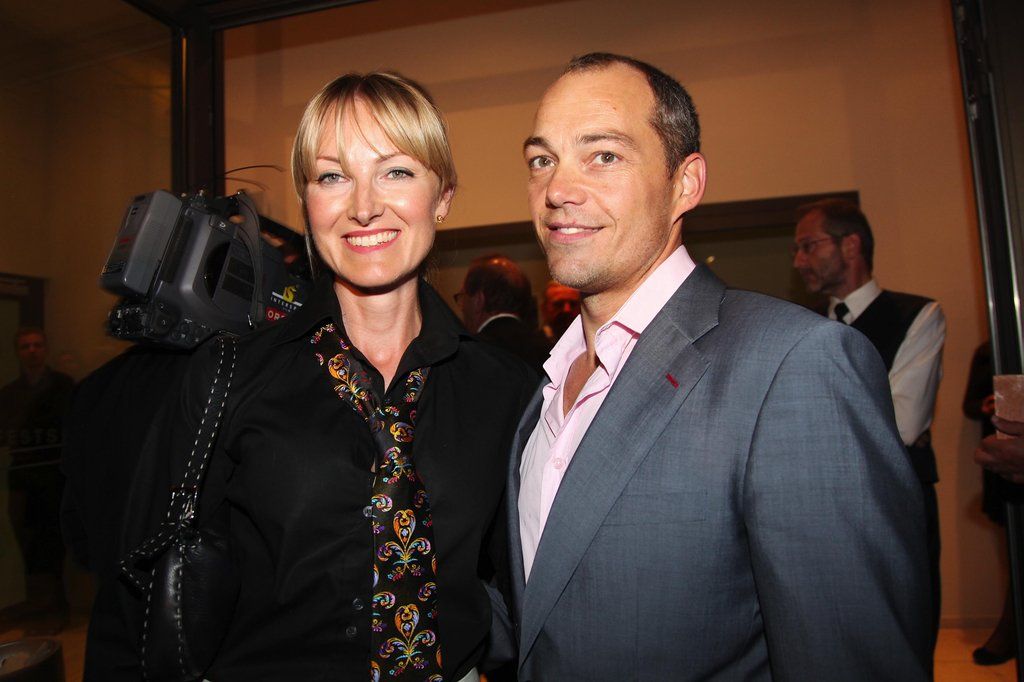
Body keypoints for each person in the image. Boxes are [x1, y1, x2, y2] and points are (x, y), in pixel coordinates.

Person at [507, 52, 931, 680]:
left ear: (686, 183)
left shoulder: (795, 365)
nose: (558, 191)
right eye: (543, 160)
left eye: (604, 155)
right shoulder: (544, 382)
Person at [126, 72, 535, 681]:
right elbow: (135, 595)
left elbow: (521, 587)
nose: (363, 206)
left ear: (443, 197)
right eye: (332, 177)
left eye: (397, 171)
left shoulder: (505, 389)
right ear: (308, 201)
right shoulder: (228, 378)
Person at [792, 197, 946, 644]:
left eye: (809, 246)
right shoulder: (798, 324)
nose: (799, 261)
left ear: (851, 245)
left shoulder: (918, 316)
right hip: (816, 511)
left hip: (894, 505)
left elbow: (903, 425)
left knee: (902, 634)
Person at [0, 326, 75, 633]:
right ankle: (40, 609)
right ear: (18, 352)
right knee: (28, 545)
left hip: (54, 480)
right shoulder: (8, 395)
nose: (32, 351)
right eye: (25, 346)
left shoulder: (64, 387)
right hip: (23, 482)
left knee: (54, 544)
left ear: (45, 349)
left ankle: (56, 610)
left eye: (37, 345)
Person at [962, 340, 1019, 665]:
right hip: (1005, 465)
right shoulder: (991, 349)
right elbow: (970, 404)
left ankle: (1008, 633)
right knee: (1013, 549)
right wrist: (988, 405)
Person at [456, 254, 551, 373]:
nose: (462, 308)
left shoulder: (468, 355)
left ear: (478, 300)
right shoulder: (549, 350)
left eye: (462, 297)